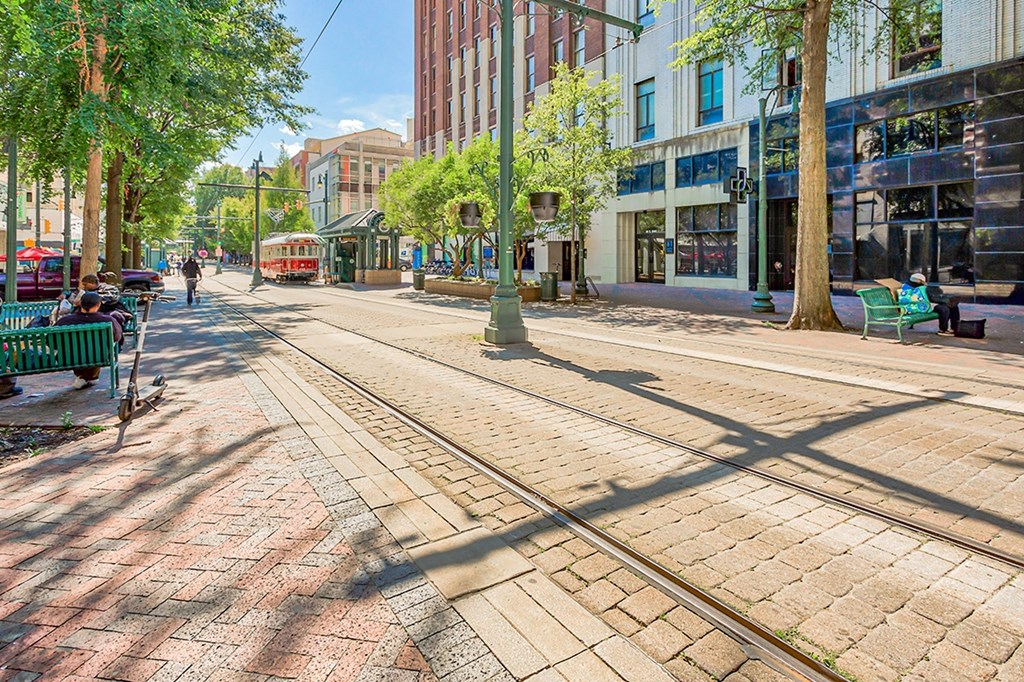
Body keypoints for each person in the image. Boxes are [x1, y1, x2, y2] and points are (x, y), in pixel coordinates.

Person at [54, 291, 123, 389]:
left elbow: (52, 342)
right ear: (98, 305)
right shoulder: (108, 321)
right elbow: (117, 337)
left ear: (81, 304)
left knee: (79, 350)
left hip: (69, 358)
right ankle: (88, 377)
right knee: (96, 350)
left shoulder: (64, 321)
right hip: (99, 356)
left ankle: (84, 377)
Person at [900, 272, 960, 336]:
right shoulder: (909, 288)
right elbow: (929, 298)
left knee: (953, 307)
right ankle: (943, 330)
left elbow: (930, 297)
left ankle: (955, 328)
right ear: (918, 281)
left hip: (926, 304)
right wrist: (943, 301)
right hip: (919, 306)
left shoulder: (918, 287)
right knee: (944, 309)